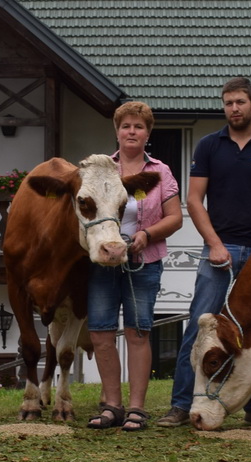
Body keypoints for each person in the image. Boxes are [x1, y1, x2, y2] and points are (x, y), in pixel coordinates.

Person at [157, 77, 251, 428]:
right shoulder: (208, 146)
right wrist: (215, 244)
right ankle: (180, 405)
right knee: (199, 325)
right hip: (219, 250)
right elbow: (193, 200)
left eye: (240, 102)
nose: (234, 108)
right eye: (228, 103)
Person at [86, 101, 182, 432]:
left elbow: (175, 218)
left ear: (147, 133)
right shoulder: (100, 170)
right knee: (100, 332)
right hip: (102, 263)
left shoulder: (160, 172)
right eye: (126, 126)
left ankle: (137, 408)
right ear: (117, 131)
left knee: (138, 332)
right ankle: (112, 404)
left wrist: (147, 233)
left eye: (138, 126)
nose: (131, 131)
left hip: (143, 262)